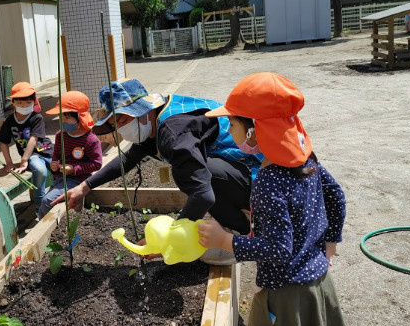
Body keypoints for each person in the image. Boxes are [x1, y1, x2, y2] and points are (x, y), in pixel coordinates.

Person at [197, 72, 352, 326]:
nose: (228, 130)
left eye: (232, 123)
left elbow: (279, 250)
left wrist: (225, 241)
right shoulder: (306, 160)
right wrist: (330, 244)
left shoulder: (268, 182)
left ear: (255, 131)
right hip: (319, 283)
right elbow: (336, 196)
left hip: (286, 297)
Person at [53, 78, 262, 265]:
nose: (120, 128)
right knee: (196, 172)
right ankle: (236, 218)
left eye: (123, 120)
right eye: (113, 123)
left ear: (142, 111)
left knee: (199, 175)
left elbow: (203, 195)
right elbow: (127, 159)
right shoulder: (156, 116)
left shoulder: (173, 133)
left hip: (258, 175)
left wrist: (168, 240)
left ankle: (238, 237)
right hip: (241, 168)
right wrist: (85, 186)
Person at [38, 91, 103, 218]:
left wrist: (73, 169)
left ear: (80, 117)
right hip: (59, 179)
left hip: (78, 181)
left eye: (67, 117)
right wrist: (54, 164)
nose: (62, 121)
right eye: (60, 116)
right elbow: (56, 154)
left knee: (47, 201)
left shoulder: (90, 140)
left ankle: (42, 230)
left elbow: (96, 164)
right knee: (49, 202)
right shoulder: (60, 135)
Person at [0, 82, 53, 212]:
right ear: (13, 102)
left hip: (47, 150)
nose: (24, 106)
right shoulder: (9, 121)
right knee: (40, 171)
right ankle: (40, 203)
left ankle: (57, 196)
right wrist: (9, 163)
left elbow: (33, 139)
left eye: (28, 103)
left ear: (34, 102)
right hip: (31, 155)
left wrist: (23, 160)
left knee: (60, 169)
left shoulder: (36, 117)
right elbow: (3, 142)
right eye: (20, 103)